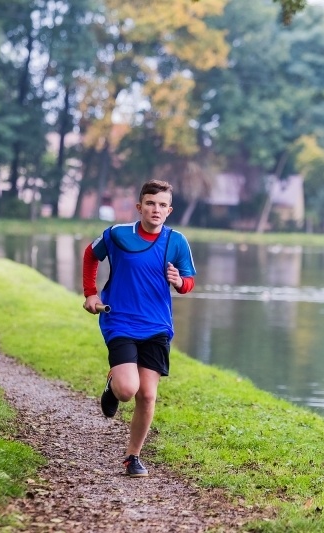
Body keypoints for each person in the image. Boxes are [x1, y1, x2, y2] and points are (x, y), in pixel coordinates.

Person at [82, 179, 196, 477]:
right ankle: (114, 384)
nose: (155, 209)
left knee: (146, 395)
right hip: (120, 320)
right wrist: (90, 293)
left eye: (161, 205)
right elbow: (90, 255)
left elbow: (188, 283)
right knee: (127, 390)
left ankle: (133, 456)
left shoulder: (177, 242)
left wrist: (178, 281)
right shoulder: (119, 235)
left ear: (169, 210)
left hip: (157, 326)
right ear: (139, 206)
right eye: (150, 203)